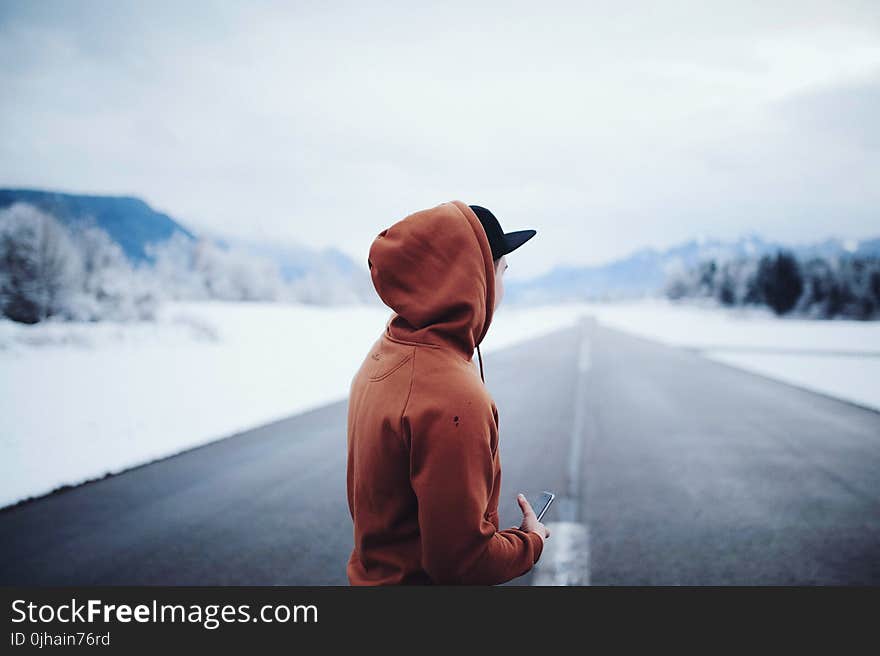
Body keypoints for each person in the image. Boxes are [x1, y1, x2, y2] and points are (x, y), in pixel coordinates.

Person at [346, 200, 549, 585]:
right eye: (501, 272)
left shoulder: (385, 353)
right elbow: (464, 564)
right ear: (476, 279)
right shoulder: (455, 398)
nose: (502, 288)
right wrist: (531, 541)